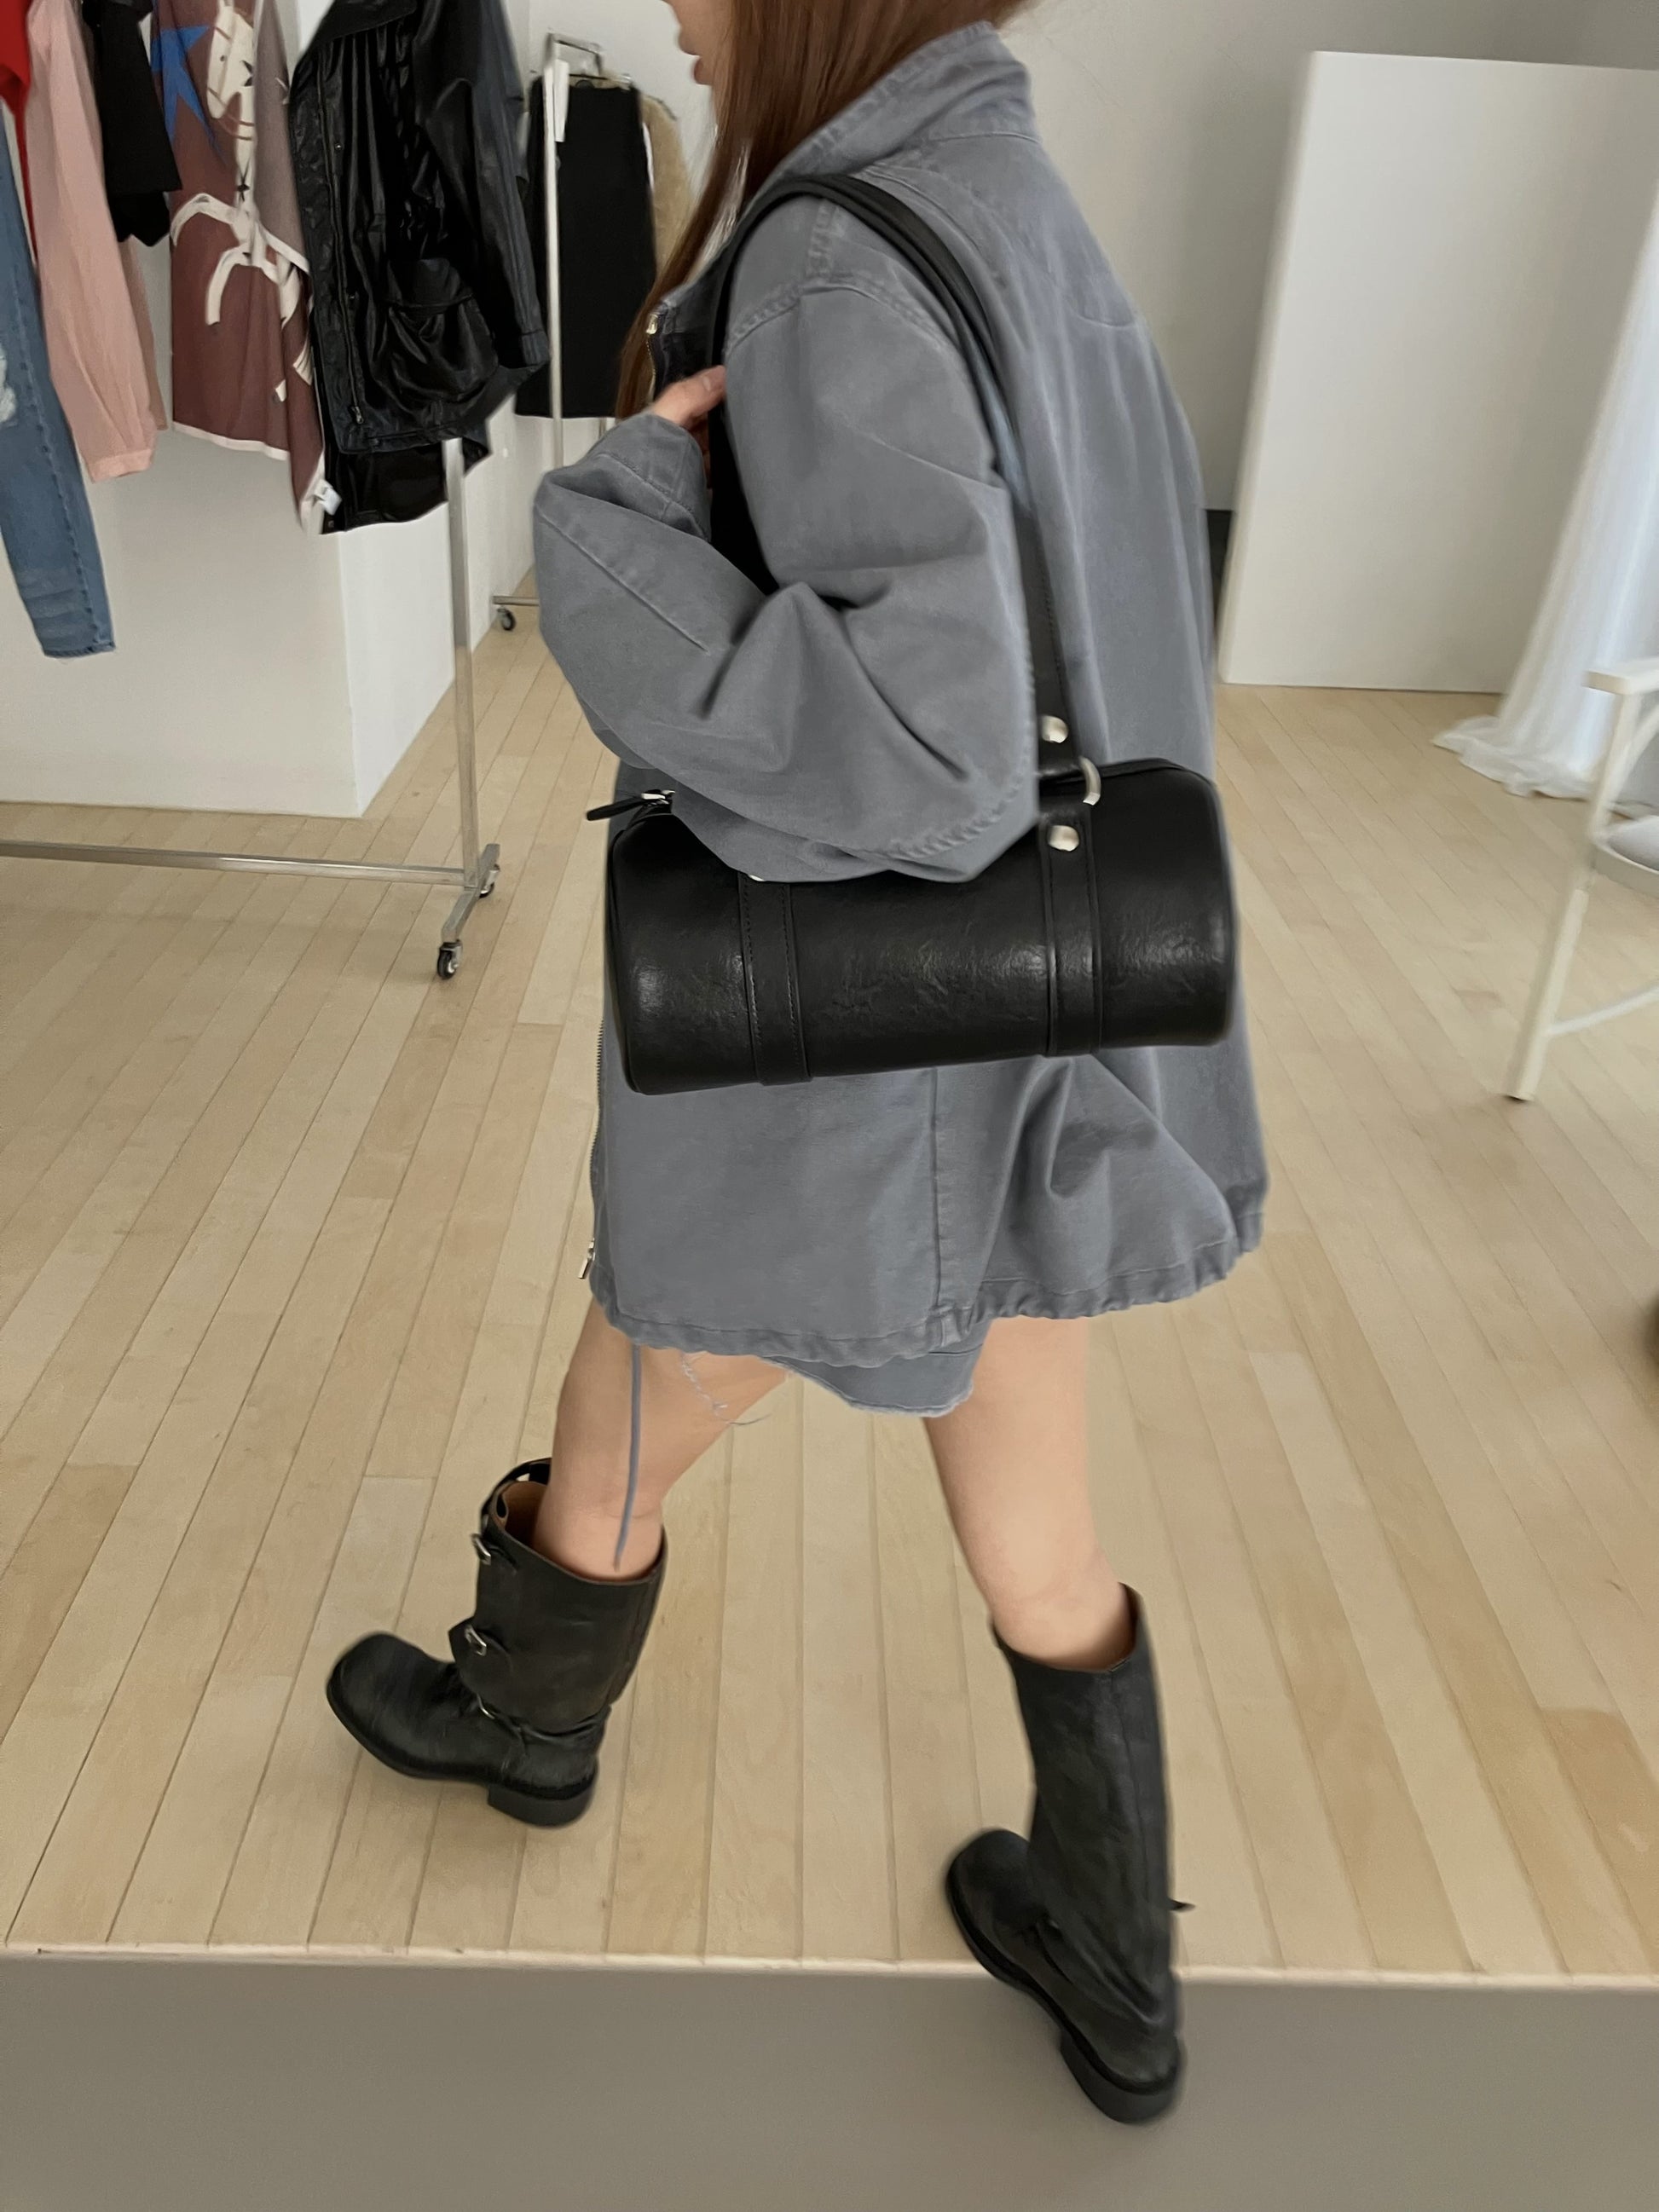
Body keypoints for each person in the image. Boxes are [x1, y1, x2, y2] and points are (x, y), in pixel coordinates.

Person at [327, 0, 1265, 2125]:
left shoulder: (837, 256)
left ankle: (528, 1723)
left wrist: (612, 518)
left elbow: (925, 753)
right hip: (1029, 1023)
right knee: (1032, 1506)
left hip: (874, 1057)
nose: (671, 7)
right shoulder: (1000, 189)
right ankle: (1116, 1948)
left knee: (649, 1352)